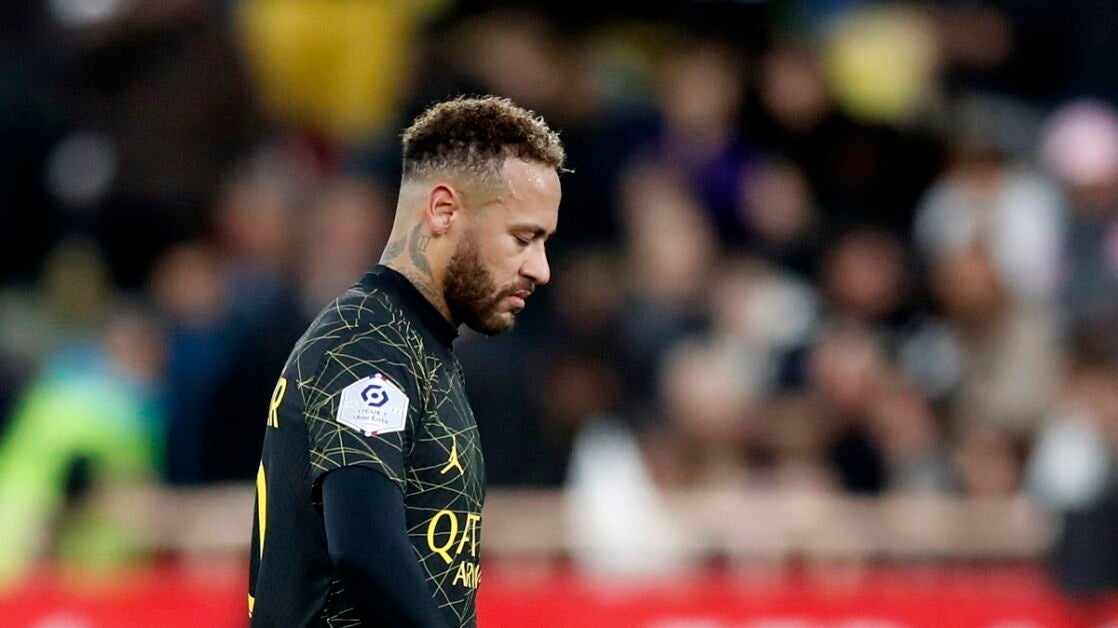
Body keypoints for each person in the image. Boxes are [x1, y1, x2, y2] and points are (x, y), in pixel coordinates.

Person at [247, 95, 565, 627]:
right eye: (523, 238)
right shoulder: (367, 342)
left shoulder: (416, 347)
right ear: (443, 210)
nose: (541, 268)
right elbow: (364, 551)